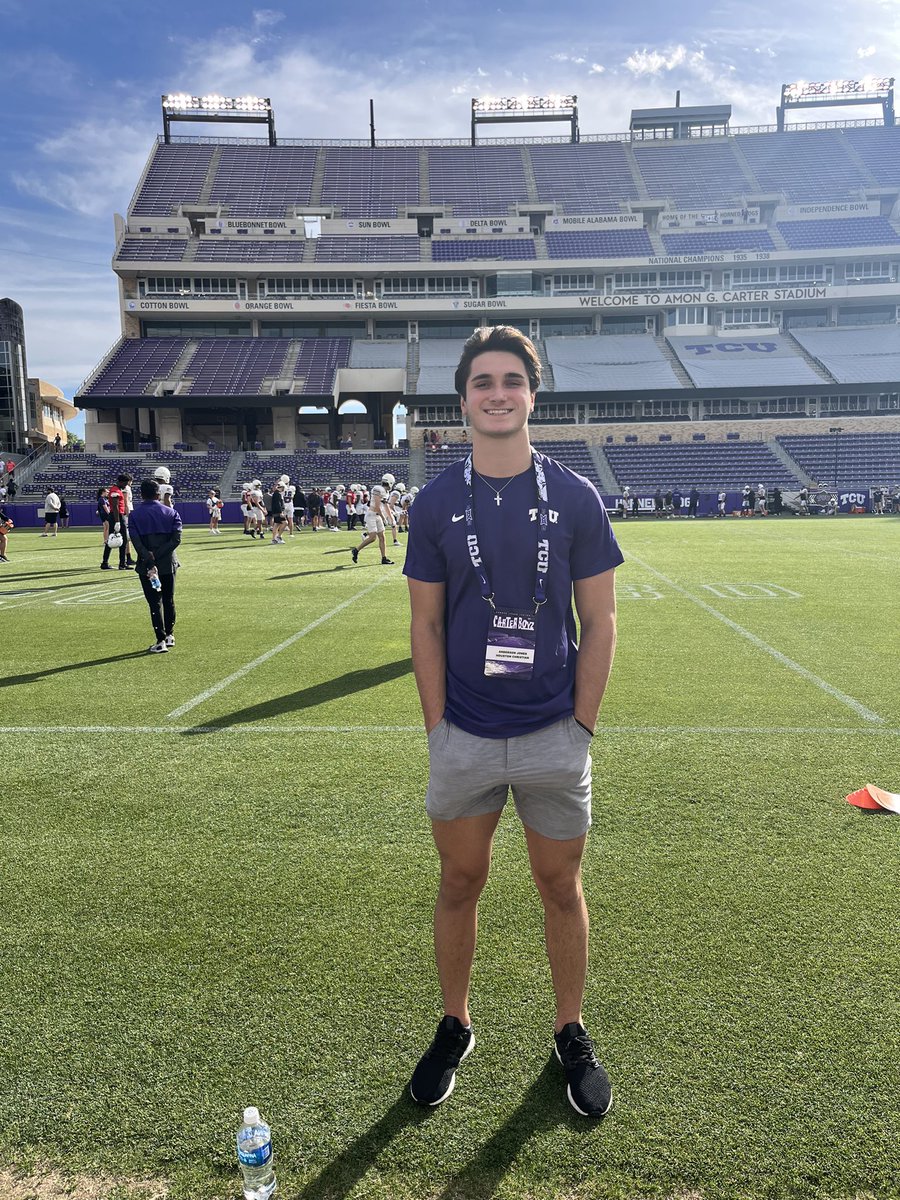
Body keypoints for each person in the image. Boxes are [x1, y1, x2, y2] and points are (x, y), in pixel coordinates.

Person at [403, 326, 623, 1118]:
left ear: (533, 394)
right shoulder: (433, 502)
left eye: (512, 381)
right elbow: (424, 627)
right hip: (462, 732)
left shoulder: (574, 497)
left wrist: (582, 727)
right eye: (483, 382)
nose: (498, 393)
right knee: (460, 880)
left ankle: (570, 1029)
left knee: (559, 886)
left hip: (552, 736)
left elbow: (599, 620)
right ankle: (455, 1023)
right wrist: (438, 730)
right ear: (462, 400)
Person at [128, 478, 182, 654]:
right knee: (169, 599)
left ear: (141, 495)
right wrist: (159, 555)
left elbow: (135, 540)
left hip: (147, 566)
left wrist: (149, 556)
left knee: (154, 603)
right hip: (168, 564)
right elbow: (176, 539)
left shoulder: (135, 515)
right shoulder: (171, 513)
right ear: (158, 494)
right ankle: (170, 635)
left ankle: (160, 639)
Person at [350, 484, 393, 565]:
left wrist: (390, 518)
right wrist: (384, 518)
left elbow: (385, 505)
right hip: (371, 515)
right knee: (373, 537)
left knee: (382, 537)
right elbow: (377, 507)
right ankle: (356, 550)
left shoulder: (385, 492)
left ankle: (384, 558)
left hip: (377, 516)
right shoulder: (378, 489)